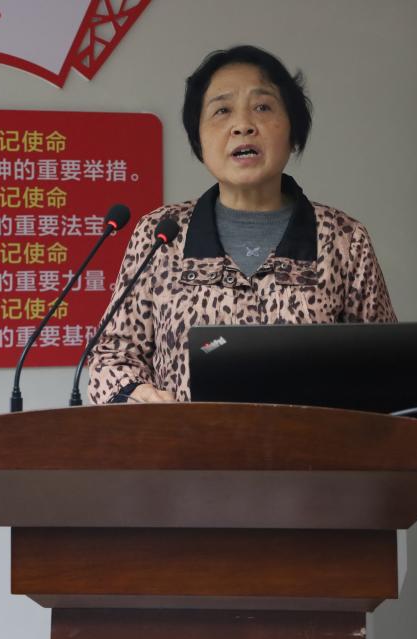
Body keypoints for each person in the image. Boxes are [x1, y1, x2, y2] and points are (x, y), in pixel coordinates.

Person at [87, 45, 396, 404]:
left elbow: (387, 369)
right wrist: (137, 394)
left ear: (293, 130)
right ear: (199, 138)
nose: (243, 125)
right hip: (188, 440)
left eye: (263, 107)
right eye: (222, 110)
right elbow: (110, 358)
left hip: (309, 441)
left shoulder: (343, 239)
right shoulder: (162, 234)